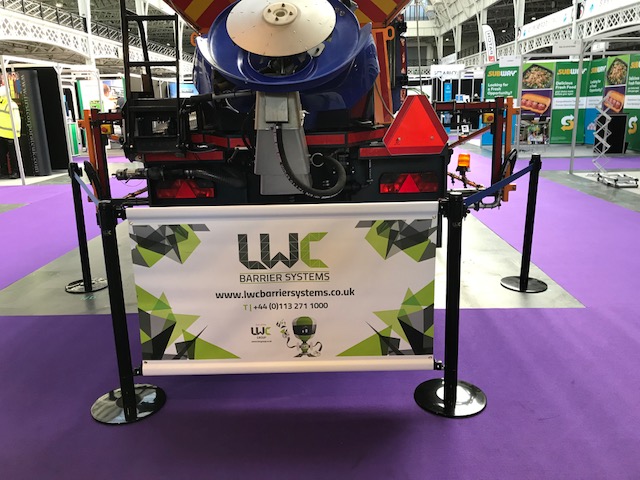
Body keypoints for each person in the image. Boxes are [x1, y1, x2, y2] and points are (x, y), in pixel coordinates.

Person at [0, 84, 21, 179]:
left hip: (11, 134)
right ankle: (3, 171)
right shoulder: (2, 104)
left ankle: (16, 172)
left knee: (13, 155)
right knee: (2, 154)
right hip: (2, 134)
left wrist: (16, 133)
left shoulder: (11, 105)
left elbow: (16, 120)